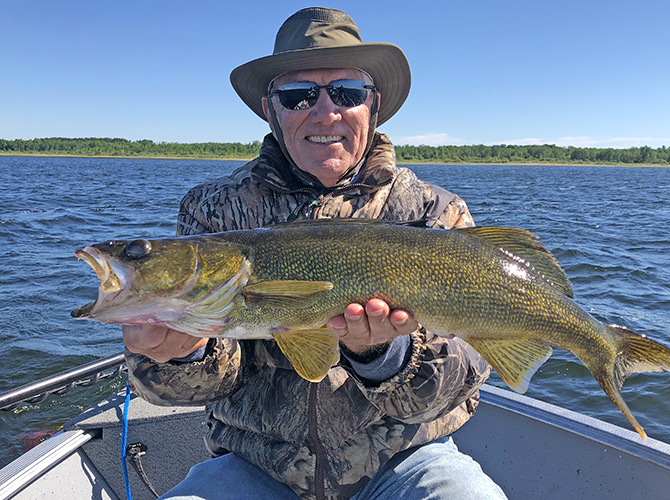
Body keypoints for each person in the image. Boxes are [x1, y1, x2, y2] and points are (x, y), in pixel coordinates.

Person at [123, 7, 508, 500]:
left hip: (406, 461)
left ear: (374, 104)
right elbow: (184, 388)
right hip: (254, 465)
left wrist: (384, 355)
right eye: (298, 94)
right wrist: (184, 353)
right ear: (271, 109)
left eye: (347, 92)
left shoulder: (435, 212)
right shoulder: (212, 211)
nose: (325, 112)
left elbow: (463, 379)